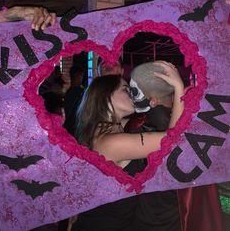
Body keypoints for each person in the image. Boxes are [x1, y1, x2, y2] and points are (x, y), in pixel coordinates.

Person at [73, 60, 184, 231]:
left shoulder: (109, 128)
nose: (133, 94)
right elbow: (173, 141)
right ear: (105, 97)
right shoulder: (111, 143)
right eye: (126, 90)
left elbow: (148, 118)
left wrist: (153, 101)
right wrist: (178, 88)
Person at [128, 62, 223, 231]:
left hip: (150, 213)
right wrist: (179, 88)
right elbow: (172, 150)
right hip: (169, 216)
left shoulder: (136, 123)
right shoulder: (161, 123)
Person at [63, 65, 85, 136]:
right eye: (81, 75)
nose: (82, 78)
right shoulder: (79, 92)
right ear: (77, 76)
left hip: (69, 128)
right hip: (75, 128)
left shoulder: (69, 92)